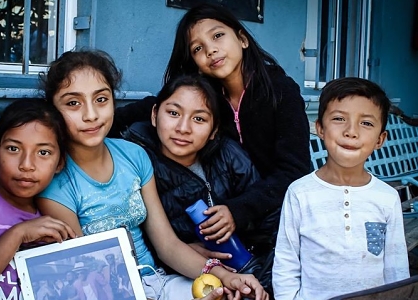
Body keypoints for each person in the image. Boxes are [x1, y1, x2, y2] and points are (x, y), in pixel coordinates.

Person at [36, 49, 268, 300]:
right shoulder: (57, 183)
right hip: (108, 291)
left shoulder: (133, 155)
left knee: (226, 293)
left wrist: (225, 276)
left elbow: (167, 245)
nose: (90, 114)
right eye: (73, 103)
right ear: (52, 110)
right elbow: (85, 276)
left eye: (101, 99)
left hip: (157, 281)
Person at [110, 3, 310, 257]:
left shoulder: (280, 91)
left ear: (242, 39)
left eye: (218, 36)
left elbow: (295, 170)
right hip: (224, 222)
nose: (211, 49)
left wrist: (239, 209)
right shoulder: (207, 99)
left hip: (279, 217)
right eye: (197, 48)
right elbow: (154, 106)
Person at [272, 77, 410, 299]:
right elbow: (286, 263)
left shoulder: (387, 198)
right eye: (339, 118)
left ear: (380, 139)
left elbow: (396, 267)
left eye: (366, 123)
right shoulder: (299, 193)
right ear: (320, 129)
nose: (351, 131)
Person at [122, 74, 265, 274]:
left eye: (199, 119)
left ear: (214, 129)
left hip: (247, 267)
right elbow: (135, 238)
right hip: (178, 277)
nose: (183, 128)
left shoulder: (229, 155)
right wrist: (184, 253)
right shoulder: (136, 163)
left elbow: (267, 219)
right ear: (154, 115)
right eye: (173, 113)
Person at [0, 99, 76, 299]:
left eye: (43, 152)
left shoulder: (55, 213)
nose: (26, 165)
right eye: (13, 149)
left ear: (60, 162)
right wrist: (18, 234)